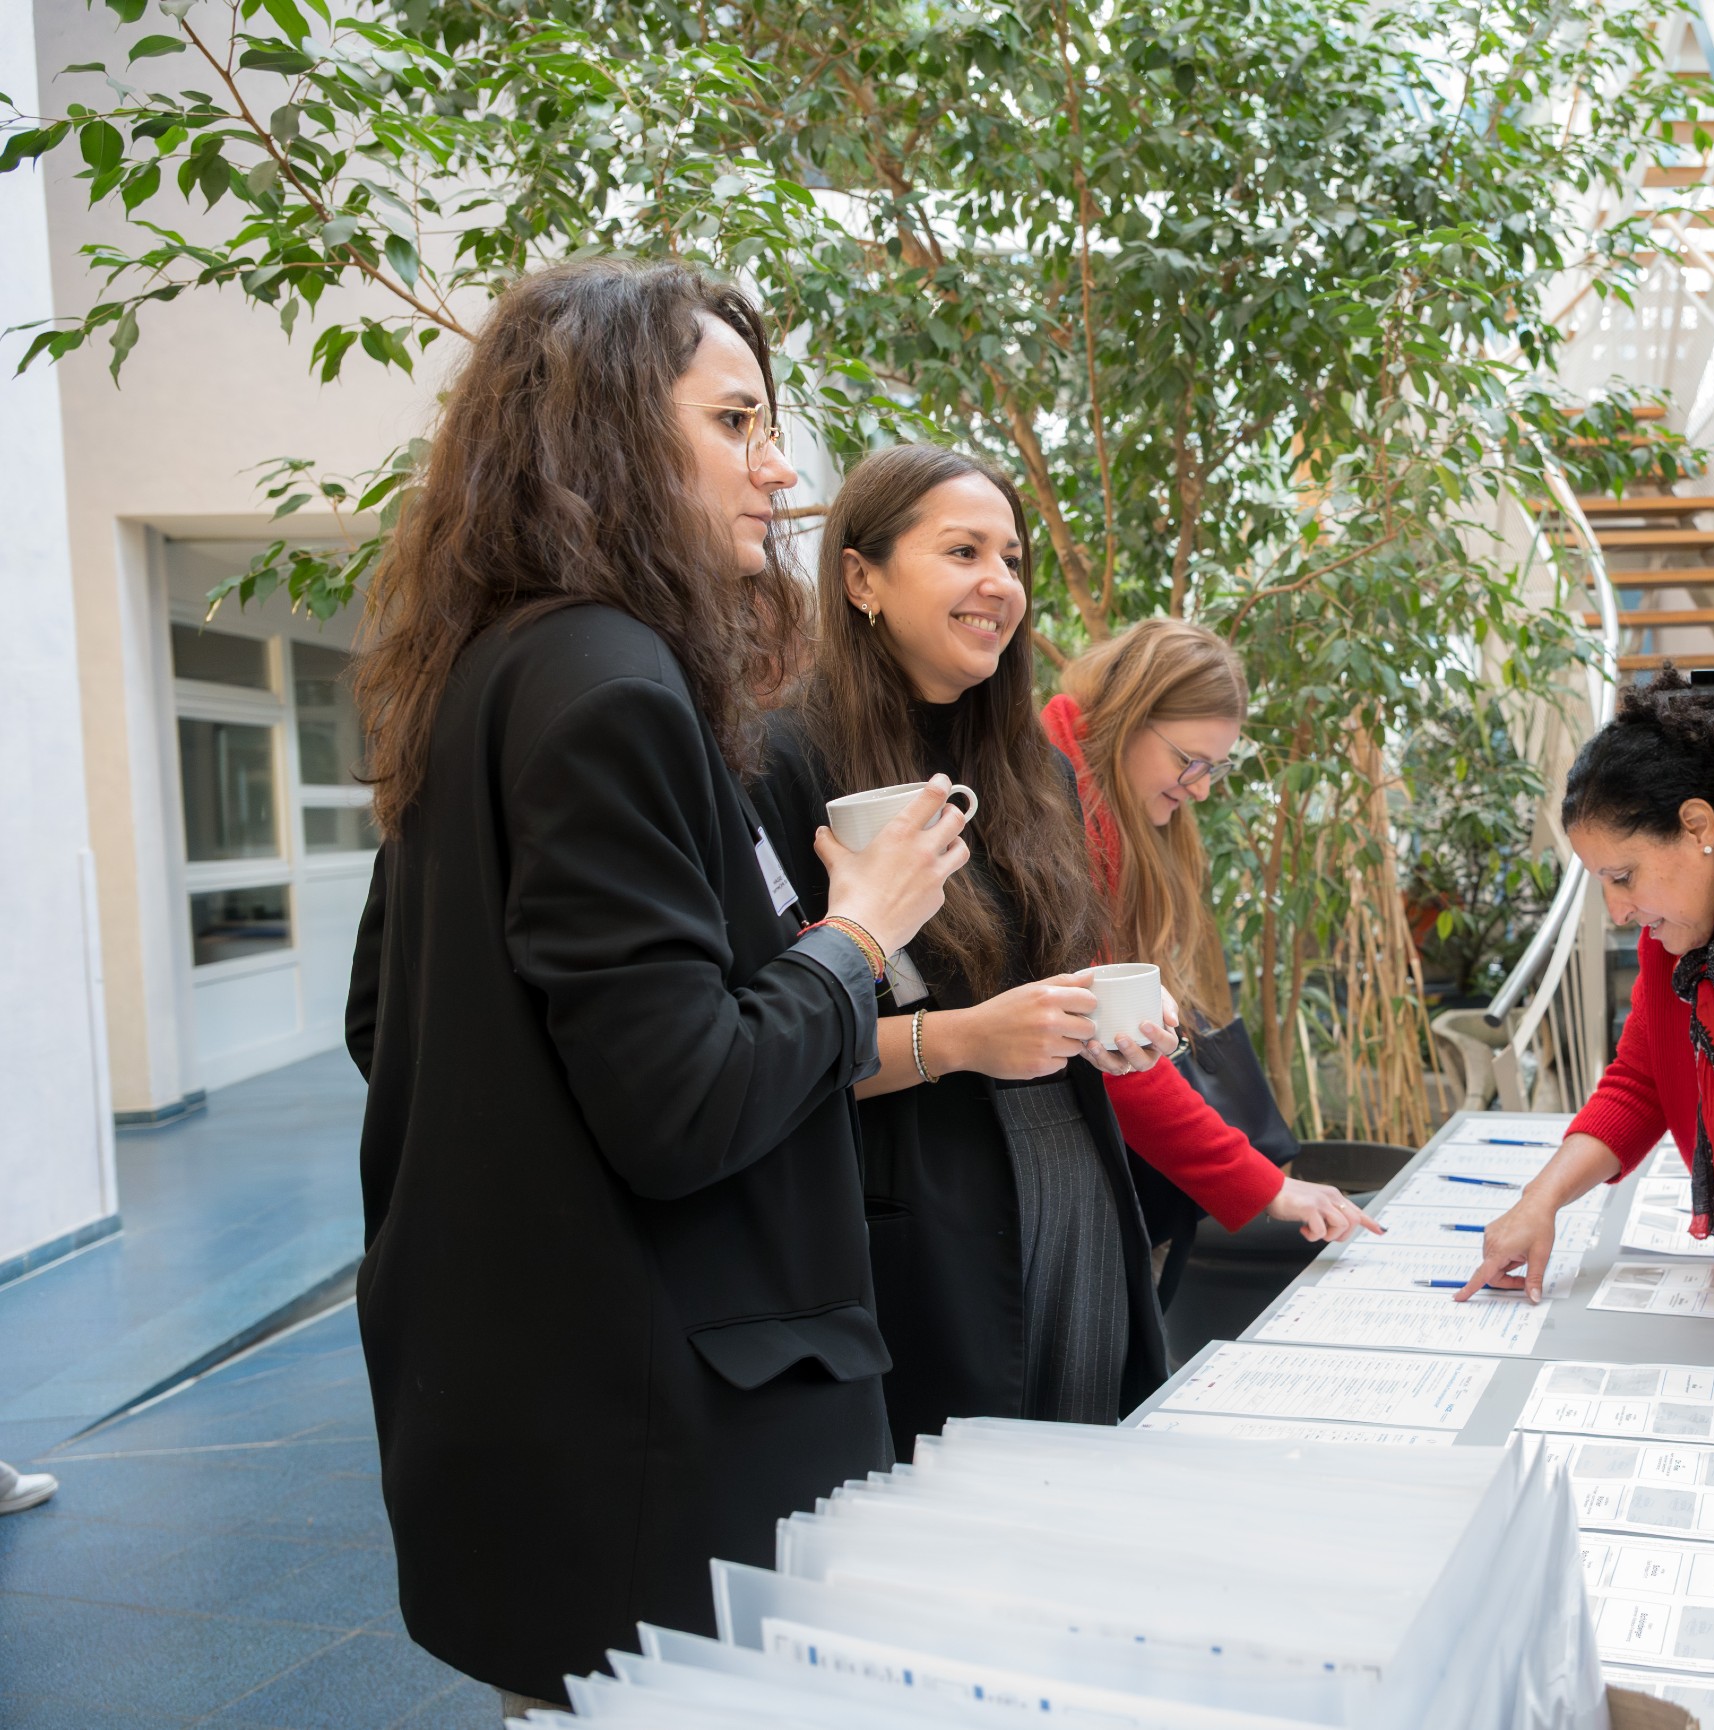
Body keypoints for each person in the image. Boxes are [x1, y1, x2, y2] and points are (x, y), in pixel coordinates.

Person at [343, 260, 971, 1710]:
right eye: (737, 423)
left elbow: (391, 1022)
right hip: (662, 1444)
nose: (779, 469)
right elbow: (682, 1100)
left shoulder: (490, 670)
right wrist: (858, 934)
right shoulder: (616, 689)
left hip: (536, 1417)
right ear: (611, 433)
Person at [749, 445, 1174, 1456]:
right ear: (860, 578)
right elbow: (757, 1050)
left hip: (1071, 1198)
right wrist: (962, 1039)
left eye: (1012, 556)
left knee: (1077, 1495)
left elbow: (1041, 991)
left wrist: (1102, 1029)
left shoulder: (1031, 769)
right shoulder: (777, 761)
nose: (1000, 582)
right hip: (915, 1228)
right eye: (962, 550)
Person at [1457, 669, 1714, 1303]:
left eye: (1623, 876)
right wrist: (1543, 1199)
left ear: (1698, 827)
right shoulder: (1679, 925)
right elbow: (1641, 1077)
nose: (1618, 911)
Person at [1042, 619, 1376, 1285]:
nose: (1199, 788)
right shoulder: (1058, 813)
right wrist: (1261, 1184)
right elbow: (1116, 1049)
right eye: (1188, 762)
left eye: (1214, 768)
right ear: (1129, 717)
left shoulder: (1102, 799)